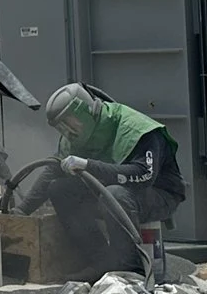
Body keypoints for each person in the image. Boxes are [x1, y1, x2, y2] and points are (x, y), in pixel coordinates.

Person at [17, 82, 186, 277]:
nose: (67, 131)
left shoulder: (137, 130)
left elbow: (144, 175)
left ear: (86, 113)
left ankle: (130, 270)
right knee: (60, 189)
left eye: (70, 122)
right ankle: (100, 261)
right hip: (112, 192)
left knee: (114, 194)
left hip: (160, 193)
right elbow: (53, 170)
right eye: (61, 127)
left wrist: (88, 165)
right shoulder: (76, 137)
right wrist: (21, 211)